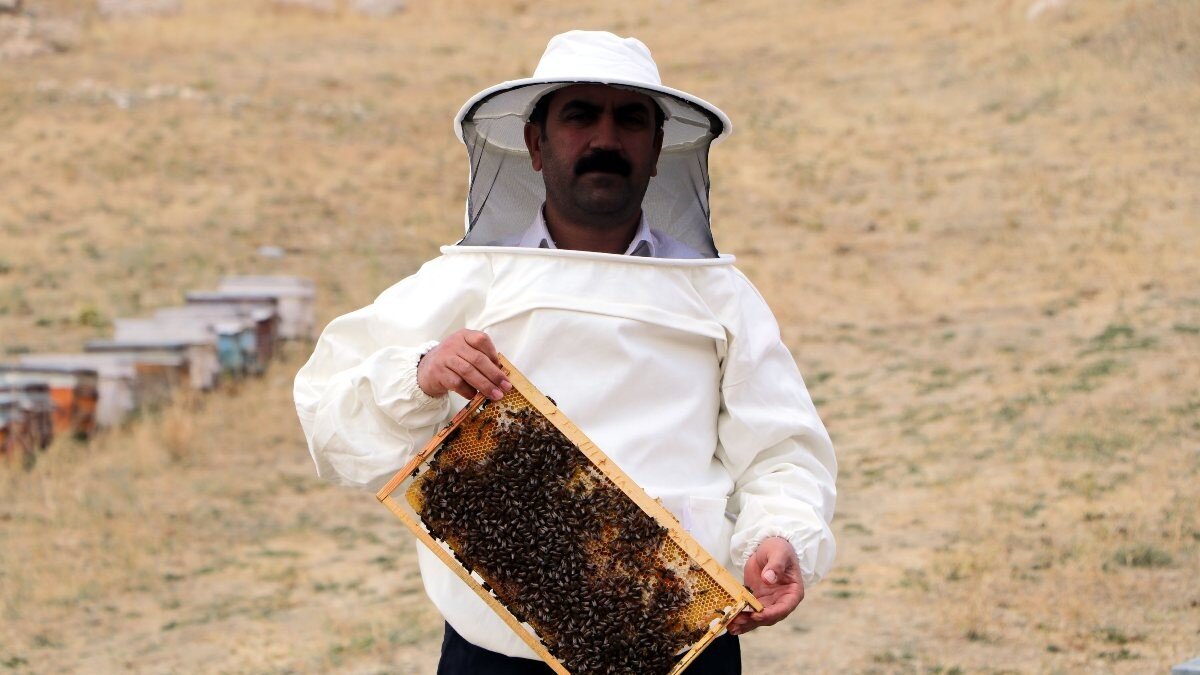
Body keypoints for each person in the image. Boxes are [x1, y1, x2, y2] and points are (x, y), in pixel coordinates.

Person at [294, 30, 837, 674]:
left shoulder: (717, 294)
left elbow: (781, 454)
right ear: (535, 143)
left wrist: (777, 537)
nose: (604, 139)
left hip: (682, 640)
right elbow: (327, 414)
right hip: (499, 650)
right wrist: (421, 376)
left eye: (630, 119)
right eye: (579, 115)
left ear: (658, 149)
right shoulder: (468, 281)